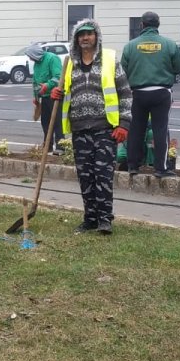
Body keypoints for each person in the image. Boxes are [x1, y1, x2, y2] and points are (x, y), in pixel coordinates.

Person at [50, 19, 132, 235]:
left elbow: (125, 93)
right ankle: (90, 219)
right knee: (85, 176)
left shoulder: (109, 60)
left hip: (105, 129)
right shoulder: (69, 64)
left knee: (102, 176)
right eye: (81, 34)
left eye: (89, 33)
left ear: (96, 36)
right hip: (79, 130)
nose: (85, 37)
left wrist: (124, 123)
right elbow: (65, 91)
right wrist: (57, 92)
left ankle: (105, 220)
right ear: (76, 39)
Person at [120, 11, 180, 178]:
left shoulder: (130, 46)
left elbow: (123, 72)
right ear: (158, 25)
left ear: (141, 25)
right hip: (162, 93)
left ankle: (133, 165)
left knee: (135, 129)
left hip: (137, 94)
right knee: (160, 130)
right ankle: (160, 168)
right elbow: (179, 67)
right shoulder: (169, 44)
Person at [26, 44, 64, 155]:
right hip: (44, 97)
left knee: (57, 122)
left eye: (30, 56)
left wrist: (47, 85)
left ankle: (61, 147)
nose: (30, 58)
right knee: (45, 123)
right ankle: (48, 145)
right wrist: (35, 97)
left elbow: (58, 76)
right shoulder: (37, 64)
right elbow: (35, 81)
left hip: (55, 96)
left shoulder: (52, 58)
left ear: (35, 54)